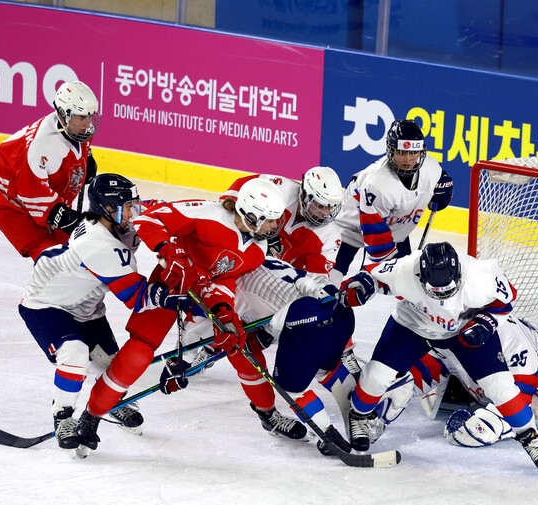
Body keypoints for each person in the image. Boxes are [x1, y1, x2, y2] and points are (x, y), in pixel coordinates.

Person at [76, 178, 292, 454]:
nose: (276, 226)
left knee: (240, 343)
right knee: (139, 351)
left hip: (201, 299)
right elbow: (149, 219)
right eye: (271, 220)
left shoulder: (256, 250)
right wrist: (168, 250)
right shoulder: (207, 214)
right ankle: (91, 416)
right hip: (169, 285)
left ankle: (267, 413)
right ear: (252, 215)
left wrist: (223, 311)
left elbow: (222, 281)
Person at [337, 241, 538, 472]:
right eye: (434, 290)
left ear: (459, 274)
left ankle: (530, 438)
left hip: (463, 330)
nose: (441, 298)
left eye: (447, 290)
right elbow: (371, 276)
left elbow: (505, 303)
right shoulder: (404, 270)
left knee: (501, 387)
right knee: (376, 375)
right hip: (414, 326)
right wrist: (359, 287)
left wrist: (486, 323)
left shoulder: (480, 280)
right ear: (420, 277)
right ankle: (359, 416)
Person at [18, 173, 189, 452]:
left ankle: (112, 403)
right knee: (74, 354)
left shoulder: (117, 218)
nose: (135, 211)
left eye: (135, 204)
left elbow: (163, 211)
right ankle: (63, 417)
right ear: (107, 209)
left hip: (87, 306)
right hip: (47, 304)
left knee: (111, 364)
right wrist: (171, 298)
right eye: (128, 206)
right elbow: (137, 297)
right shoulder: (97, 244)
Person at [182, 257, 359, 456]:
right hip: (341, 316)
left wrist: (181, 361)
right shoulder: (261, 258)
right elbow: (304, 283)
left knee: (291, 388)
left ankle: (329, 437)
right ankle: (362, 415)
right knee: (325, 368)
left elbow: (195, 329)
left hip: (305, 328)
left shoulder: (225, 290)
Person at [371, 321, 538, 453]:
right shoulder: (443, 329)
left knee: (534, 406)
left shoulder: (509, 338)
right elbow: (424, 371)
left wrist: (488, 424)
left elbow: (521, 392)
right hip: (488, 379)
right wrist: (375, 403)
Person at [330, 119, 453, 284]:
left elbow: (441, 185)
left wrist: (443, 192)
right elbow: (377, 248)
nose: (408, 159)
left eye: (413, 153)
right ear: (390, 150)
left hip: (395, 230)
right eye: (401, 153)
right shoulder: (378, 185)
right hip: (349, 229)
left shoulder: (432, 169)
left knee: (408, 284)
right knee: (330, 282)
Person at [0, 81, 100, 261]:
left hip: (49, 194)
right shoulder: (41, 146)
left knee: (76, 254)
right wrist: (66, 218)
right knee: (54, 261)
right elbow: (32, 195)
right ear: (64, 114)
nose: (87, 124)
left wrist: (86, 162)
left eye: (90, 117)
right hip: (13, 203)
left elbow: (80, 151)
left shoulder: (75, 127)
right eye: (82, 117)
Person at [220, 167, 344, 276]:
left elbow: (316, 279)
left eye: (331, 207)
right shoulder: (278, 189)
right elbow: (235, 192)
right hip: (236, 258)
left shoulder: (330, 236)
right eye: (321, 206)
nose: (325, 213)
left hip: (269, 280)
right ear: (306, 196)